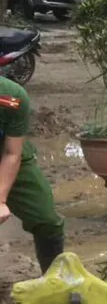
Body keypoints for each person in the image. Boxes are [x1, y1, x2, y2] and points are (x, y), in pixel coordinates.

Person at [0, 76, 66, 273]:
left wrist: (1, 199)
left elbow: (13, 153)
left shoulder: (12, 96)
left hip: (6, 154)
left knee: (46, 220)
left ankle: (54, 282)